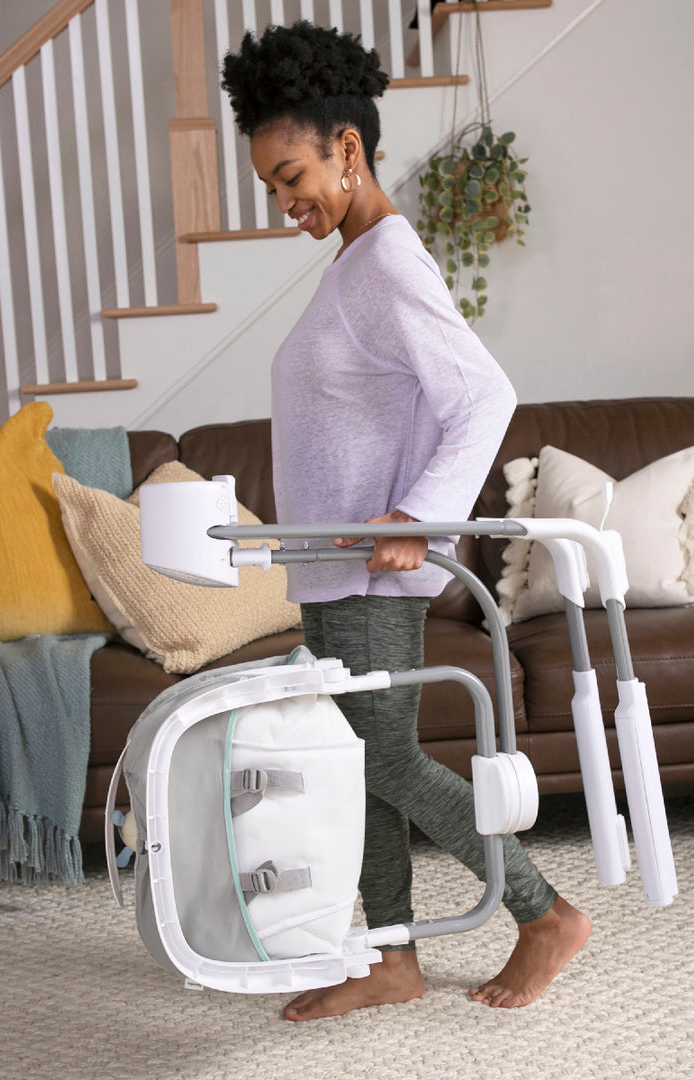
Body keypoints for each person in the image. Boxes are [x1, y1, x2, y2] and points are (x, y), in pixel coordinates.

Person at [220, 22, 590, 1021]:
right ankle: (390, 954)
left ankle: (542, 910)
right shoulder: (351, 265)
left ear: (349, 148)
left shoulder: (386, 259)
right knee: (358, 762)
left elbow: (484, 394)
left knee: (379, 758)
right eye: (272, 185)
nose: (287, 201)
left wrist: (420, 517)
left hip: (374, 571)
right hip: (333, 571)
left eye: (293, 173)